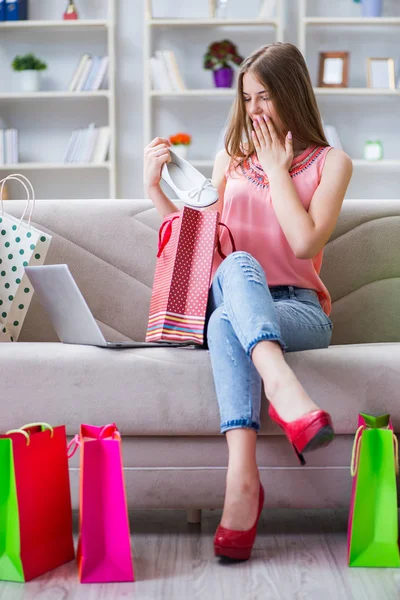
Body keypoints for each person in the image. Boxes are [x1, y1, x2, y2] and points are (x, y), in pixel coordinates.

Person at [143, 42, 353, 562]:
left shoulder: (332, 163)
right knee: (235, 270)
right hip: (236, 297)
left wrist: (278, 169)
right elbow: (205, 242)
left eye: (266, 96)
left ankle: (244, 485)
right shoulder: (228, 162)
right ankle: (273, 416)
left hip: (299, 309)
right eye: (248, 98)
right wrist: (155, 191)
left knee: (225, 322)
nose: (255, 109)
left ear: (293, 94)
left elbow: (305, 243)